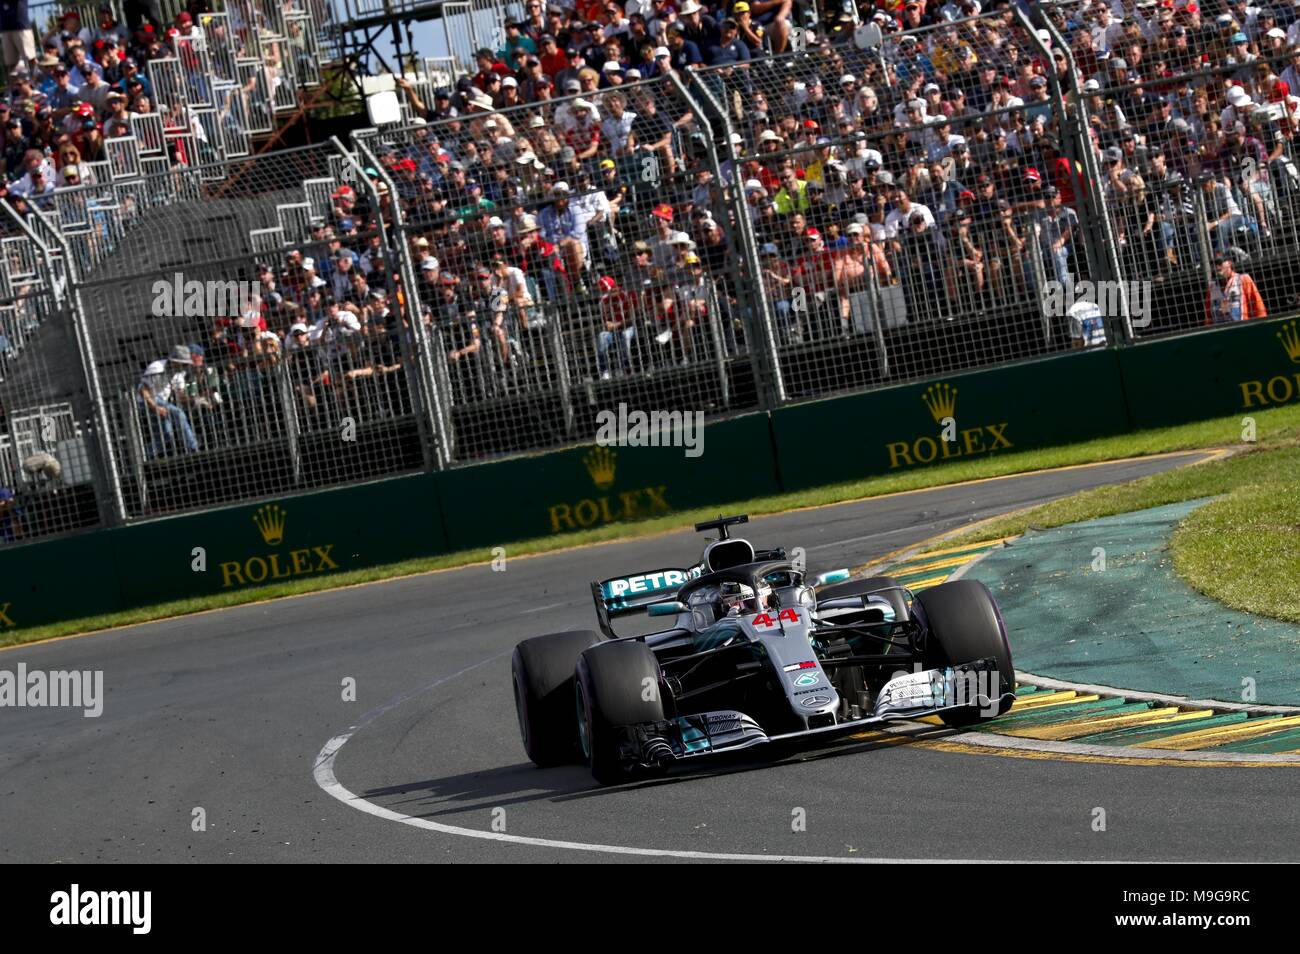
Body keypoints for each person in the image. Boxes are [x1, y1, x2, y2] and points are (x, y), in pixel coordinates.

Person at [138, 345, 199, 457]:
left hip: (161, 402)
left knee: (166, 434)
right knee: (178, 413)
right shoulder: (157, 367)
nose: (184, 366)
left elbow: (180, 395)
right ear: (175, 361)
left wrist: (194, 400)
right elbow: (144, 390)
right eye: (183, 363)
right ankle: (193, 448)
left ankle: (144, 455)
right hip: (147, 401)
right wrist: (155, 407)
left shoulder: (179, 373)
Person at [1205, 253, 1267, 325]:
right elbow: (1208, 316)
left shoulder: (1243, 279)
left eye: (1219, 263)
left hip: (1242, 329)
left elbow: (1258, 308)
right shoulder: (1212, 288)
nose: (1217, 267)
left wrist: (1261, 326)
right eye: (1214, 265)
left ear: (1229, 263)